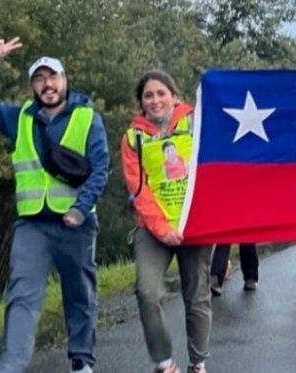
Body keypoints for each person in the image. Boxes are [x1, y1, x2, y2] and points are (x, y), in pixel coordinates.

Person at [0, 37, 109, 373]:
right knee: (22, 296)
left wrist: (79, 208)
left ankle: (82, 360)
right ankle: (10, 366)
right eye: (40, 79)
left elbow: (101, 170)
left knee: (79, 295)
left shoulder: (88, 118)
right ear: (33, 86)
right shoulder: (19, 118)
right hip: (33, 226)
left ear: (64, 80)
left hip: (77, 224)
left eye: (53, 77)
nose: (48, 84)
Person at [121, 69, 213, 373]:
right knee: (147, 292)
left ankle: (197, 363)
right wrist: (162, 229)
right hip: (153, 227)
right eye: (149, 95)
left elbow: (215, 164)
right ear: (141, 102)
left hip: (195, 224)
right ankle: (164, 363)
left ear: (175, 96)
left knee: (197, 295)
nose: (155, 100)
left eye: (162, 93)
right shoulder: (133, 136)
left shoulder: (195, 122)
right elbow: (137, 189)